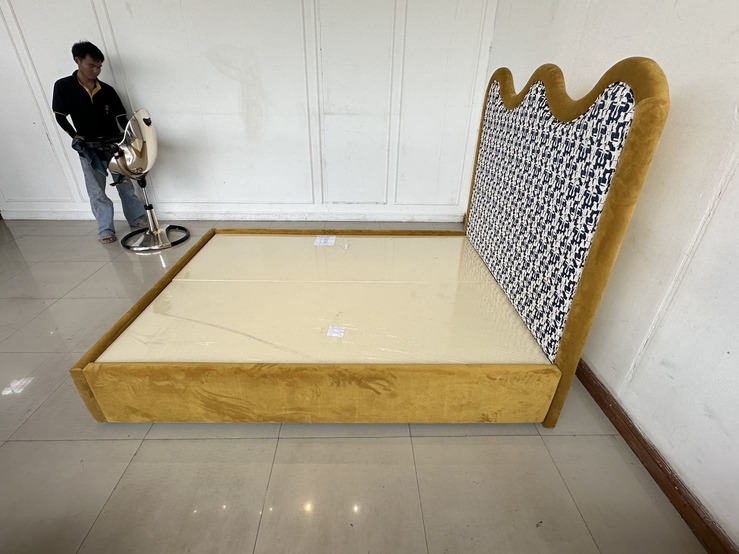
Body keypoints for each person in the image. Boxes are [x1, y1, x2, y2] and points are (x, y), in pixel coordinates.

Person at [52, 41, 147, 244]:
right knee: (96, 191)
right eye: (91, 66)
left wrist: (132, 138)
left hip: (114, 145)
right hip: (89, 149)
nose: (96, 71)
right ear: (77, 61)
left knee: (125, 185)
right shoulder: (64, 87)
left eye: (99, 67)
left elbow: (121, 117)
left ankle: (137, 218)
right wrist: (73, 134)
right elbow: (60, 115)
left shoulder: (107, 90)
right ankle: (105, 229)